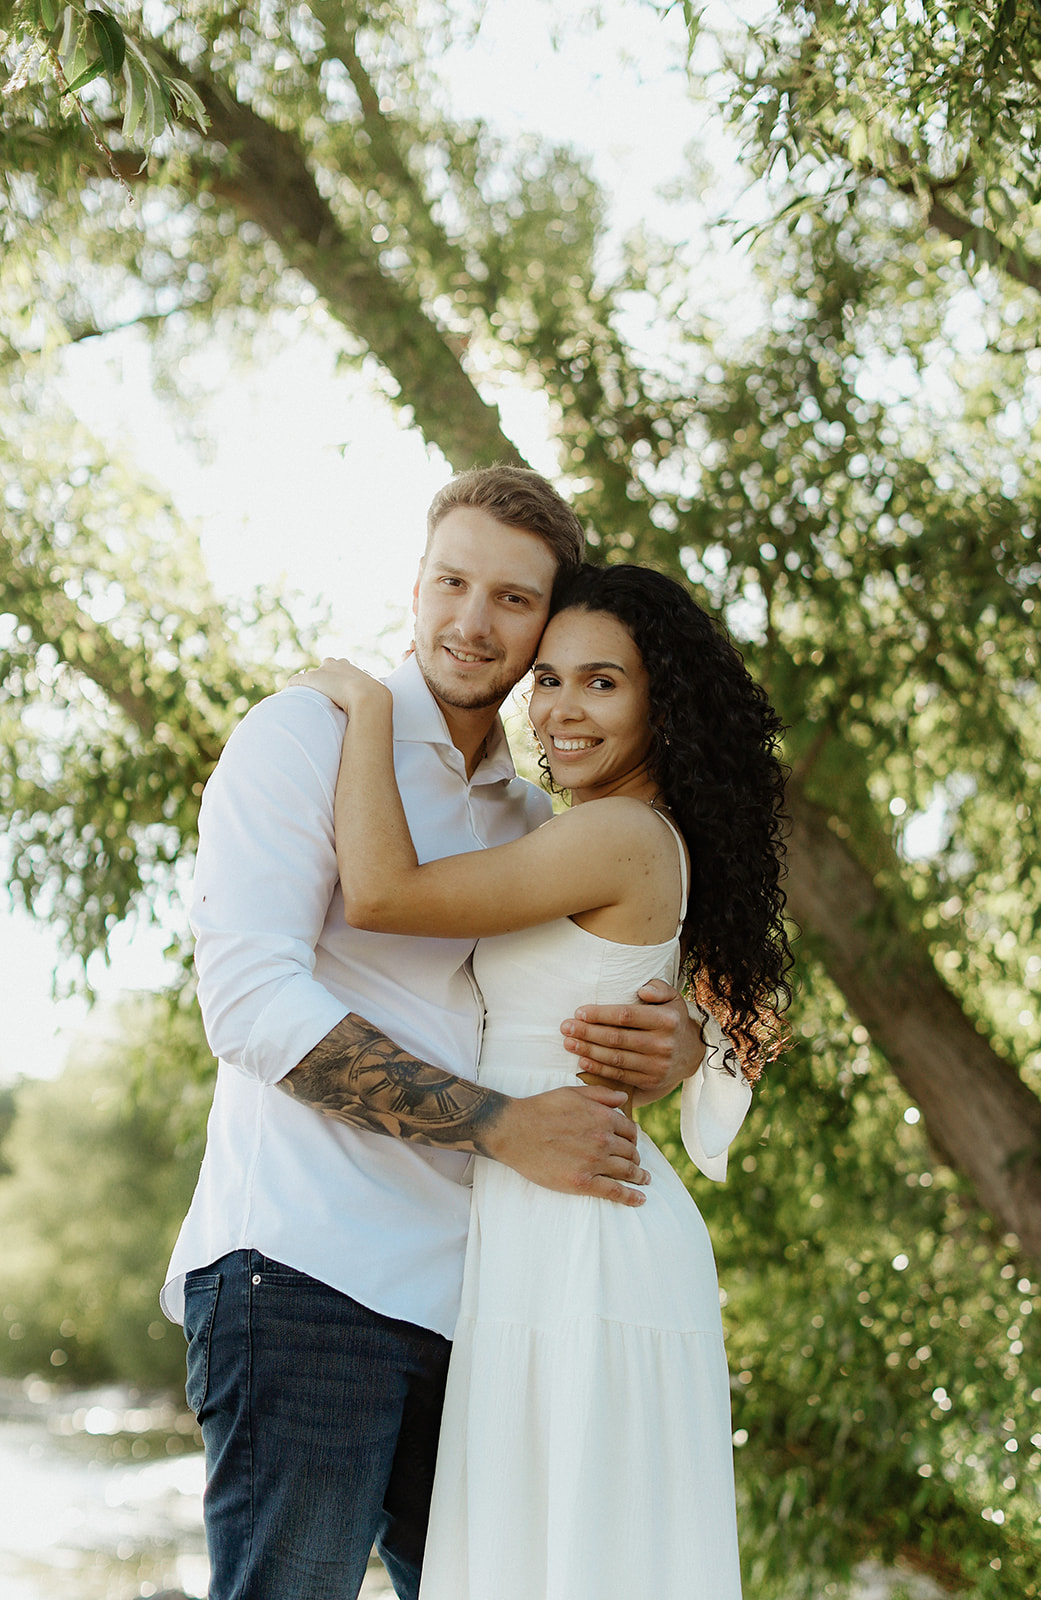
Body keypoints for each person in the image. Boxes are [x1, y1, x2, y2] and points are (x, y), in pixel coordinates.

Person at [161, 467, 713, 1600]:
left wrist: (683, 1042)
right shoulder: (302, 737)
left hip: (481, 1297)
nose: (474, 620)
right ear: (414, 587)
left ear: (545, 623)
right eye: (453, 582)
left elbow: (640, 969)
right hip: (305, 1272)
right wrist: (500, 1125)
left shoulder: (529, 813)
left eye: (514, 601)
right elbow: (252, 1002)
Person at [295, 561, 792, 1600]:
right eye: (551, 679)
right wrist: (691, 1039)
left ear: (665, 701)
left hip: (585, 1243)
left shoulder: (615, 834)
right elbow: (748, 1013)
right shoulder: (594, 830)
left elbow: (382, 892)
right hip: (549, 1221)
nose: (563, 708)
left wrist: (371, 704)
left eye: (602, 682)